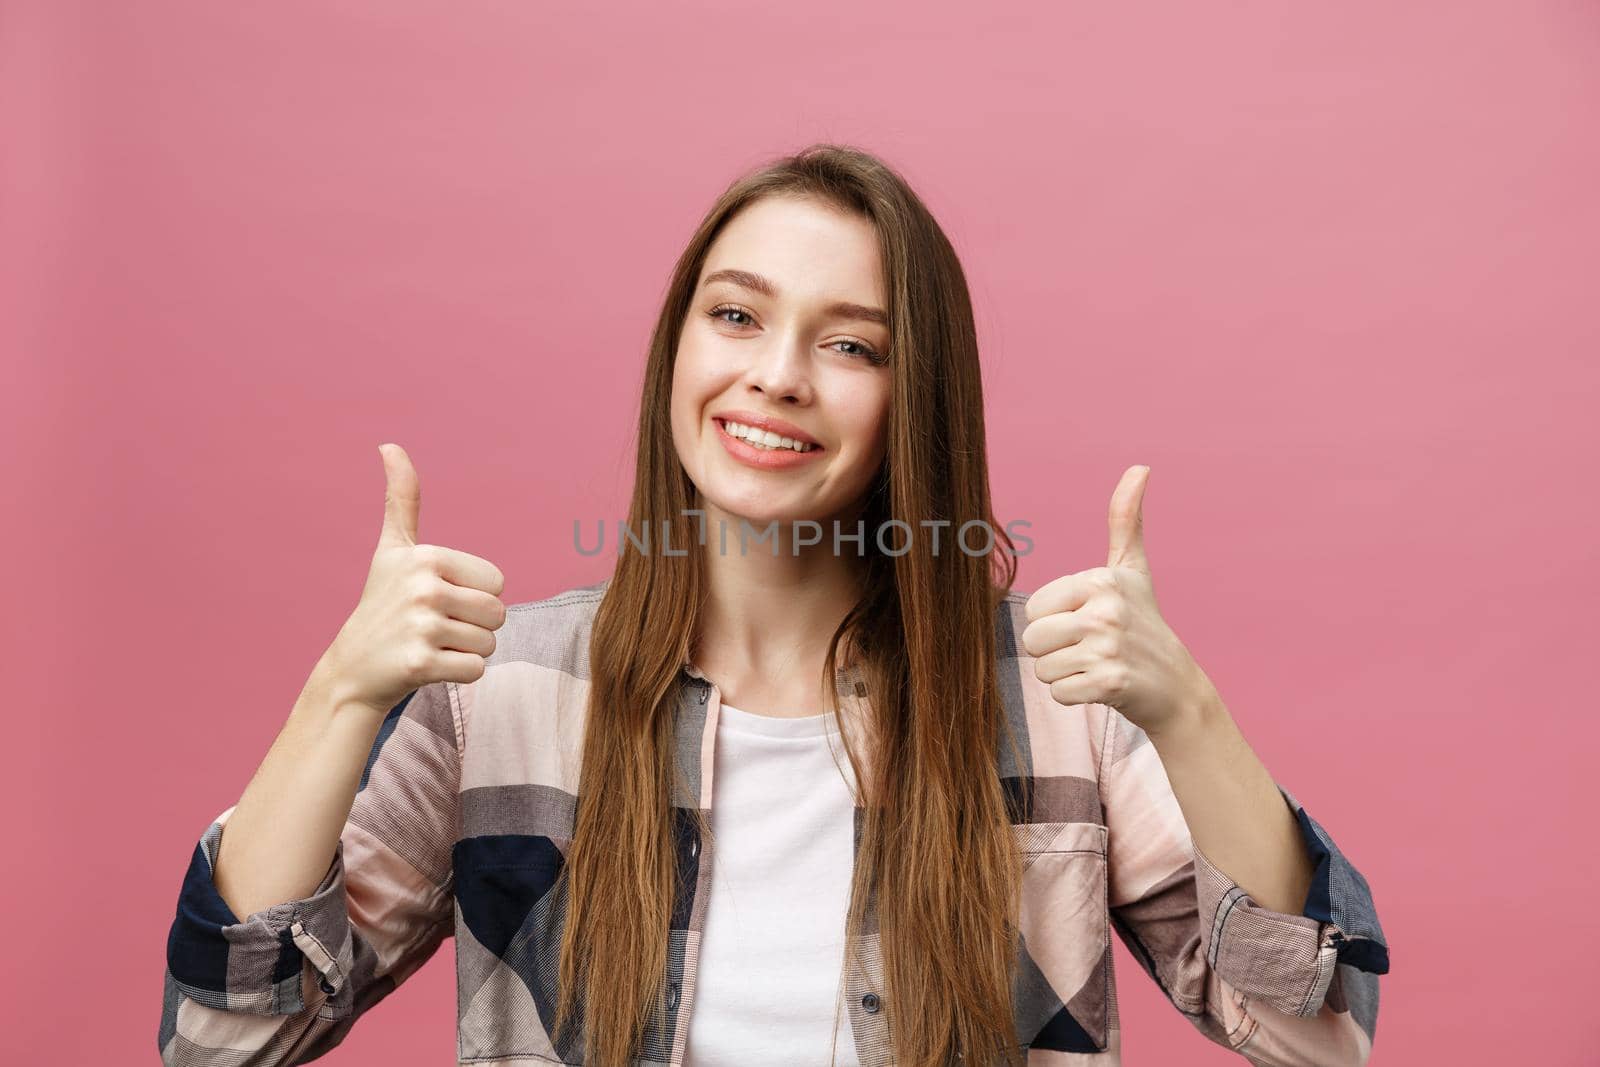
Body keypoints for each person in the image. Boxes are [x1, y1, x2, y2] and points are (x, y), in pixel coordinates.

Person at [159, 144, 1389, 1066]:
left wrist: (1190, 714)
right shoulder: (498, 698)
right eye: (736, 314)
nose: (777, 375)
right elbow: (223, 1040)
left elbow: (1315, 1034)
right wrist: (340, 693)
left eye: (851, 344)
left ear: (920, 399)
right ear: (677, 349)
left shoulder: (1064, 703)